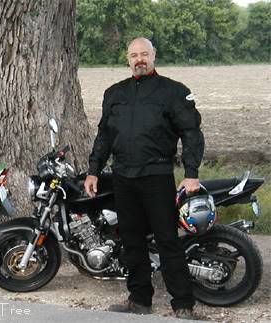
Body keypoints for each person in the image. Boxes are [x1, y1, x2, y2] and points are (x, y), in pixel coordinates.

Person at [84, 37, 204, 320]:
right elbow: (104, 136)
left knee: (167, 241)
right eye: (134, 55)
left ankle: (183, 304)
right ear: (127, 59)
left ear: (154, 56)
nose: (139, 59)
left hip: (157, 175)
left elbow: (191, 133)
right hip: (123, 177)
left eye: (144, 54)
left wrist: (191, 173)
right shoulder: (114, 93)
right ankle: (140, 301)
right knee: (131, 241)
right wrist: (93, 169)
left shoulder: (174, 92)